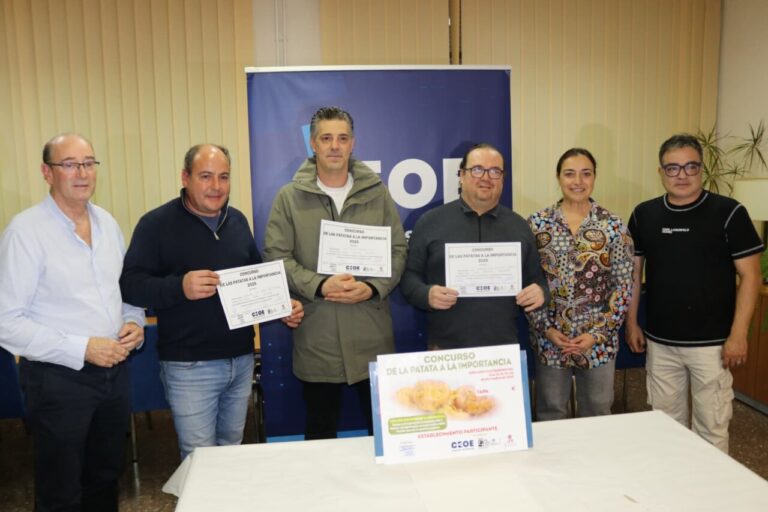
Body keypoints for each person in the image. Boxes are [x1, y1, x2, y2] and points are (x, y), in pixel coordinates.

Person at [120, 144, 303, 461]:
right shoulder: (155, 225)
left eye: (223, 177)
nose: (216, 186)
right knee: (199, 459)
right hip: (190, 366)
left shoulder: (238, 221)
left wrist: (283, 305)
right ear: (185, 177)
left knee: (230, 454)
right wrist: (180, 286)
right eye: (205, 176)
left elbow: (256, 279)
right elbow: (130, 286)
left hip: (241, 360)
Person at [0, 133, 145, 511]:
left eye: (88, 163)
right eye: (69, 164)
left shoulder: (108, 223)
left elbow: (122, 289)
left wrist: (133, 320)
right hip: (57, 379)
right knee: (61, 489)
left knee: (104, 478)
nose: (81, 172)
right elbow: (6, 321)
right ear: (47, 173)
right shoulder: (25, 232)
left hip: (113, 374)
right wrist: (82, 348)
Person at [263, 106, 407, 440]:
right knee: (320, 433)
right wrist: (320, 284)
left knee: (384, 436)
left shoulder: (378, 193)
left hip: (371, 336)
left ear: (353, 143)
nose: (334, 146)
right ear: (313, 143)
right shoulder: (289, 198)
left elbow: (398, 250)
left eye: (342, 138)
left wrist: (372, 287)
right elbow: (276, 257)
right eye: (326, 138)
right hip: (318, 337)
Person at [626, 134, 763, 452]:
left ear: (702, 168)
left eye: (691, 166)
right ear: (660, 172)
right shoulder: (644, 214)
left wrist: (739, 334)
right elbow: (634, 274)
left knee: (712, 429)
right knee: (664, 428)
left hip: (713, 346)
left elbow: (751, 276)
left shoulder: (729, 212)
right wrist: (632, 323)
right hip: (661, 343)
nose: (682, 175)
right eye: (672, 168)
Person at [400, 142, 548, 349]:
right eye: (477, 169)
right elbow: (408, 277)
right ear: (461, 175)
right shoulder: (430, 222)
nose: (486, 177)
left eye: (495, 171)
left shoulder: (519, 226)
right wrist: (426, 294)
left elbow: (537, 280)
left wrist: (540, 292)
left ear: (503, 179)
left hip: (503, 350)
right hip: (446, 350)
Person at [526, 148, 634, 420]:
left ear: (595, 177)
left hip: (597, 342)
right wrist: (546, 329)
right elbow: (527, 284)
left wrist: (597, 334)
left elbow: (623, 287)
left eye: (586, 174)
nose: (578, 181)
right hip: (551, 340)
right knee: (551, 412)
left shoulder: (613, 227)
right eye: (570, 174)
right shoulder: (537, 225)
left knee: (597, 412)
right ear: (558, 178)